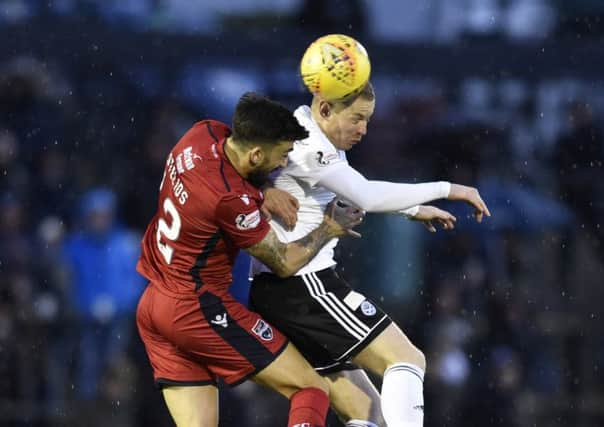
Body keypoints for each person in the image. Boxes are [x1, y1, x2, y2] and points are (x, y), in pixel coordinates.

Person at [250, 82, 491, 427]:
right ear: (325, 109)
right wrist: (446, 189)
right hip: (303, 288)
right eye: (358, 119)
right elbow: (364, 195)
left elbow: (349, 190)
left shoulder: (306, 131)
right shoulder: (310, 145)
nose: (363, 129)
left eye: (368, 120)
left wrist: (412, 209)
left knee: (365, 412)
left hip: (280, 289)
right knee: (406, 359)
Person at [135, 92, 364, 427]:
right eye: (283, 155)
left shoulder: (203, 133)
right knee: (310, 388)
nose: (284, 164)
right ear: (256, 154)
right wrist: (328, 228)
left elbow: (227, 175)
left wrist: (262, 191)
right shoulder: (230, 199)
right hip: (196, 309)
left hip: (154, 304)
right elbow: (284, 261)